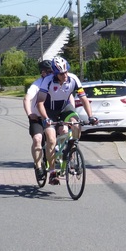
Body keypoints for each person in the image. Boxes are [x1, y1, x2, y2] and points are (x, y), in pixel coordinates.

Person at [35, 57, 97, 185]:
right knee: (51, 139)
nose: (64, 75)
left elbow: (84, 99)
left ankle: (71, 147)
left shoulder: (73, 79)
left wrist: (91, 116)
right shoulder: (47, 81)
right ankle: (52, 172)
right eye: (61, 74)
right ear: (55, 73)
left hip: (65, 108)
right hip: (49, 111)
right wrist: (46, 119)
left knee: (76, 124)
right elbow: (40, 102)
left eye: (66, 72)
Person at [23, 60, 53, 180]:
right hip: (37, 118)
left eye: (53, 72)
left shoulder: (55, 83)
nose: (52, 74)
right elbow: (26, 99)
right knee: (37, 139)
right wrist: (30, 114)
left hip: (51, 117)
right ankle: (38, 166)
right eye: (50, 72)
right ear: (43, 73)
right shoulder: (37, 84)